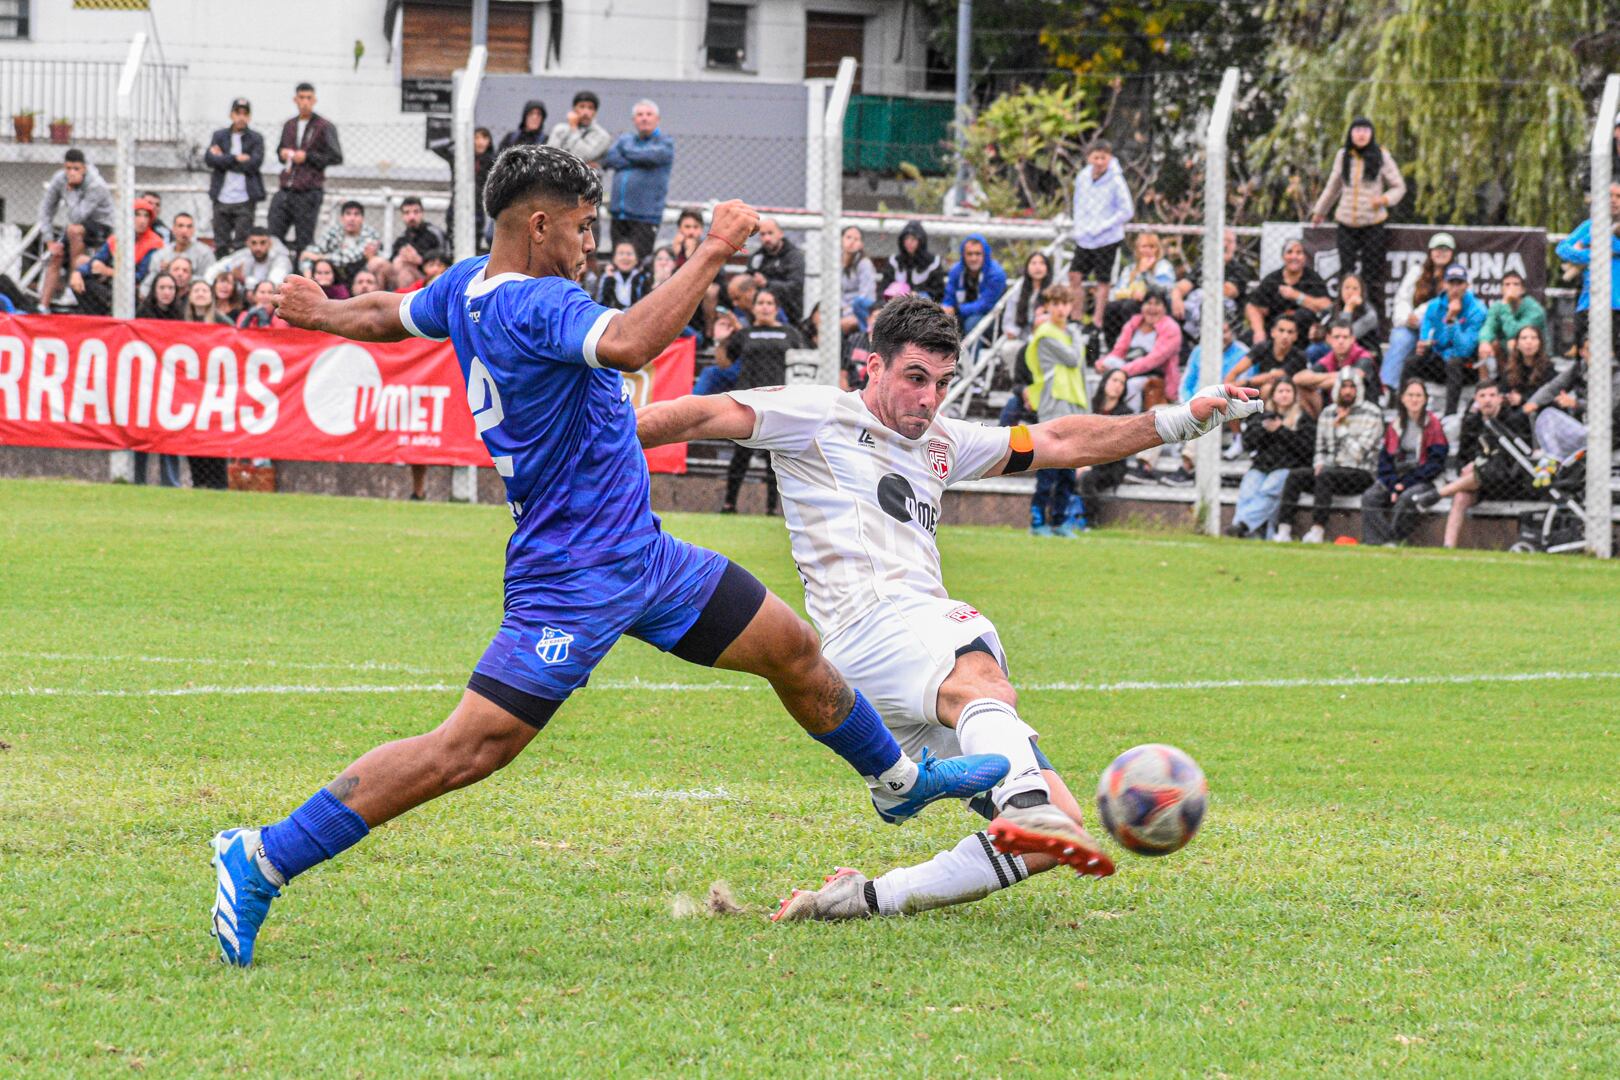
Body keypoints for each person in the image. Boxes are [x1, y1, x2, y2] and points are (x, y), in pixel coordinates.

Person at [215, 146, 1007, 966]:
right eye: (583, 228)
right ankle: (263, 856)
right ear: (539, 224)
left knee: (793, 649)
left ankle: (897, 782)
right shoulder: (539, 304)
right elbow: (630, 343)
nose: (590, 244)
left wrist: (325, 311)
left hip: (644, 558)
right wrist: (713, 248)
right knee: (465, 751)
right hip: (571, 579)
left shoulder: (468, 288)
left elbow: (393, 314)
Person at [633, 294, 1261, 920]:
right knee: (981, 664)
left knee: (1061, 830)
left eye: (941, 383)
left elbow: (1061, 439)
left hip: (899, 664)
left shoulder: (941, 441)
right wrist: (584, 450)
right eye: (914, 378)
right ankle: (1023, 803)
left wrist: (1179, 419)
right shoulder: (817, 414)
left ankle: (861, 900)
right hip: (873, 627)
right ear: (871, 367)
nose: (929, 399)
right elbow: (695, 414)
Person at [717, 289, 807, 515]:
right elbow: (724, 363)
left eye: (770, 303)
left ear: (776, 308)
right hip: (748, 400)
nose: (765, 307)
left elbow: (803, 362)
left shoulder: (790, 333)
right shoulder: (745, 333)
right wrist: (720, 339)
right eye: (761, 303)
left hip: (780, 401)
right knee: (741, 455)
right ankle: (729, 504)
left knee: (774, 458)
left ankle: (771, 508)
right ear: (754, 308)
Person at [1310, 118, 1406, 319]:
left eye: (1365, 130)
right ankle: (1343, 318)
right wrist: (1320, 211)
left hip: (1373, 223)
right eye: (1357, 130)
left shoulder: (1381, 155)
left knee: (1371, 274)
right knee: (1346, 272)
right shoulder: (1343, 155)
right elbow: (1333, 186)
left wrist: (1384, 199)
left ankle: (1371, 318)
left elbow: (1399, 186)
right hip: (1346, 222)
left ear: (1371, 134)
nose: (1361, 134)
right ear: (1350, 133)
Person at [1275, 367, 1383, 543]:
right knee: (1296, 476)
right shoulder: (1327, 413)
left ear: (1359, 389)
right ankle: (1283, 530)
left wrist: (1341, 427)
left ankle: (1317, 530)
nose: (1347, 391)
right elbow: (1320, 449)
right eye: (1344, 386)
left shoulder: (1372, 413)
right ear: (1337, 388)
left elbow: (1359, 454)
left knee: (1326, 475)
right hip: (1329, 471)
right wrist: (1319, 462)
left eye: (1352, 387)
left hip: (1360, 472)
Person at [1424, 381, 1535, 548]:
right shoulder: (1471, 422)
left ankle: (1440, 493)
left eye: (1492, 395)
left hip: (1509, 481)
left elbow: (1513, 460)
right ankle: (1448, 547)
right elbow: (1462, 457)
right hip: (1479, 483)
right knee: (1461, 497)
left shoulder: (1514, 419)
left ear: (1500, 399)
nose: (1487, 400)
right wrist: (1468, 465)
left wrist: (1477, 465)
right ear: (1476, 399)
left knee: (1488, 469)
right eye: (1482, 396)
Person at [1023, 285, 1088, 536]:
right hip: (1053, 403)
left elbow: (1080, 372)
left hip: (1072, 402)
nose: (1061, 309)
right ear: (1047, 306)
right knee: (1049, 464)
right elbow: (1072, 359)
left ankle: (1060, 520)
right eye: (1056, 303)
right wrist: (1079, 337)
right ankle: (1037, 520)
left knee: (1069, 467)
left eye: (1065, 303)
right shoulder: (1046, 334)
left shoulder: (1071, 333)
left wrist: (1086, 408)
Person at [1361, 378, 1448, 546]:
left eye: (1418, 395)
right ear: (1402, 398)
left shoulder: (1433, 426)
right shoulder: (1395, 426)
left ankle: (1393, 541)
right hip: (1397, 477)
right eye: (1410, 395)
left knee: (1407, 498)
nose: (1414, 399)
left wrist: (1405, 483)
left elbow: (1435, 464)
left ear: (1425, 399)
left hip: (1423, 479)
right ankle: (1376, 542)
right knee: (1370, 497)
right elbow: (1385, 462)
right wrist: (1394, 484)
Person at [1229, 377, 1315, 539]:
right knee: (1247, 491)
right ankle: (1244, 531)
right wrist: (1264, 429)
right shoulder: (1262, 415)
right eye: (1280, 391)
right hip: (1262, 466)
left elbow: (1306, 448)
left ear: (1294, 395)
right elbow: (1248, 442)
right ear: (1273, 395)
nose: (1284, 395)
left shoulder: (1303, 418)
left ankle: (1242, 525)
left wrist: (1281, 430)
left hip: (1288, 467)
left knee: (1270, 490)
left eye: (1288, 391)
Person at [267, 83, 343, 260]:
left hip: (308, 190)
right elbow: (279, 152)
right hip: (286, 187)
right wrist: (283, 153)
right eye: (301, 98)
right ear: (295, 99)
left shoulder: (323, 126)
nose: (305, 102)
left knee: (304, 239)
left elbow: (336, 156)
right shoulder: (289, 125)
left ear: (314, 100)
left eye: (309, 98)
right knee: (273, 235)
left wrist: (308, 157)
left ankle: (300, 277)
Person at [37, 148, 115, 311]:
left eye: (76, 169)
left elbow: (77, 216)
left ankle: (73, 286)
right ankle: (43, 306)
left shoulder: (96, 184)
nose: (71, 173)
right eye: (68, 168)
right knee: (56, 253)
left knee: (74, 230)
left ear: (84, 168)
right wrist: (50, 241)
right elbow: (46, 209)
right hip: (78, 226)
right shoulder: (59, 179)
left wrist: (71, 191)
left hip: (101, 225)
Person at [1067, 139, 1134, 329]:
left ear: (1109, 158)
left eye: (1103, 158)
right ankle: (1076, 316)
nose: (1099, 162)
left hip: (1107, 238)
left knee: (1102, 280)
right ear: (1089, 158)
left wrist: (1104, 225)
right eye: (1096, 157)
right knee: (1075, 274)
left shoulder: (1116, 180)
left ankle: (1097, 320)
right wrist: (1080, 226)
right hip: (1085, 236)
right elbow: (1078, 203)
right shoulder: (1082, 177)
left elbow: (1127, 211)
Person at [600, 100, 674, 260]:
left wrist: (626, 152)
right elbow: (608, 160)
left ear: (657, 119)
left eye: (649, 114)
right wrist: (638, 160)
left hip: (645, 217)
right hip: (620, 216)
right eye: (640, 115)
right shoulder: (627, 139)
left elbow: (651, 156)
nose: (644, 118)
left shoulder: (665, 143)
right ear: (634, 120)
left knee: (639, 263)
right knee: (618, 262)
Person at [1384, 232, 1456, 397]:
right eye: (1438, 249)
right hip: (1412, 325)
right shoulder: (1417, 272)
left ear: (1452, 253)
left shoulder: (1456, 276)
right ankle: (1390, 389)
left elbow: (1445, 305)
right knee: (1401, 338)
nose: (1441, 253)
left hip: (1439, 329)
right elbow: (1402, 298)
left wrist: (1420, 316)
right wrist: (1407, 317)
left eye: (1446, 249)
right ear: (1430, 252)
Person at [1412, 264, 1485, 416]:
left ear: (1467, 285)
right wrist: (1427, 343)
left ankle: (1449, 415)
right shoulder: (1433, 306)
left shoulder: (1478, 310)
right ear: (1444, 284)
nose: (1455, 288)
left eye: (1460, 283)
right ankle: (1404, 408)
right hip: (1439, 360)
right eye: (1451, 283)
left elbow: (1464, 349)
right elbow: (1427, 339)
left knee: (1454, 361)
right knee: (1412, 361)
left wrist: (1452, 320)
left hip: (1467, 366)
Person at [1555, 182, 1620, 350]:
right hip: (1591, 304)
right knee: (1587, 357)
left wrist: (1608, 245)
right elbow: (1562, 248)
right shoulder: (1591, 226)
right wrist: (1591, 255)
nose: (1613, 201)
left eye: (1618, 197)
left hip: (1617, 305)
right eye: (1609, 196)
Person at [71, 198, 164, 316]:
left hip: (136, 289)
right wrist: (77, 273)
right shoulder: (118, 238)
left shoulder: (154, 242)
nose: (142, 220)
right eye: (137, 215)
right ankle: (98, 317)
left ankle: (109, 314)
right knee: (80, 281)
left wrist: (108, 271)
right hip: (115, 285)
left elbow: (140, 276)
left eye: (146, 216)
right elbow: (96, 261)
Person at [1097, 286, 1181, 410]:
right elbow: (1118, 351)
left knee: (1131, 385)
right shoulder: (1134, 323)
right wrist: (1101, 363)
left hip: (1155, 376)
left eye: (1157, 304)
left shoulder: (1171, 328)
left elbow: (1152, 361)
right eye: (1148, 303)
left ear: (1164, 308)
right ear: (1142, 306)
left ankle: (1131, 420)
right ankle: (1101, 414)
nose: (1152, 308)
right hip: (1128, 369)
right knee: (1108, 365)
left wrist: (1123, 372)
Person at [205, 98, 265, 256]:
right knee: (221, 243)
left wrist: (223, 159)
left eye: (245, 114)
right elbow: (210, 159)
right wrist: (236, 158)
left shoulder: (256, 138)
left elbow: (254, 164)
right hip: (221, 197)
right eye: (238, 113)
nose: (241, 117)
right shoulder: (219, 136)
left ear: (250, 117)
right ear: (231, 115)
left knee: (241, 244)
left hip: (245, 199)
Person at [1246, 240, 1331, 349]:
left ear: (1304, 257)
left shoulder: (1312, 278)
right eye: (1289, 252)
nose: (1294, 256)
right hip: (1274, 331)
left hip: (1302, 335)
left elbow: (1326, 305)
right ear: (1283, 257)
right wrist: (1259, 332)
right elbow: (1253, 306)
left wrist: (1297, 296)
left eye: (1299, 252)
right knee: (1248, 337)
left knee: (1302, 315)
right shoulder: (1272, 279)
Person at [1076, 367, 1134, 527]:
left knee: (1087, 478)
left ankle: (1091, 521)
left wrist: (1089, 466)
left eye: (1122, 383)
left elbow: (1116, 448)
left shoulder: (1125, 414)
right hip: (1083, 460)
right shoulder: (1090, 407)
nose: (1118, 385)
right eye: (1114, 380)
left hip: (1110, 466)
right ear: (1105, 382)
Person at [1101, 231, 1176, 346]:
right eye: (1144, 246)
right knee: (1111, 307)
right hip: (1131, 299)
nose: (1148, 250)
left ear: (1157, 249)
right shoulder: (1130, 268)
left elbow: (1163, 290)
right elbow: (1116, 292)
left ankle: (1133, 345)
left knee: (1129, 306)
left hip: (1157, 302)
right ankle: (1113, 348)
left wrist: (1144, 273)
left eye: (1152, 247)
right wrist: (1131, 293)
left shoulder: (1163, 266)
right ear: (1137, 249)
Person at [430, 126, 495, 253]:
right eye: (476, 137)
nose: (480, 142)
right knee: (453, 239)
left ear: (489, 141)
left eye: (484, 137)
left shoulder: (491, 161)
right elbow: (436, 147)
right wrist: (458, 141)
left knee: (474, 241)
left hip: (477, 207)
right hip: (456, 204)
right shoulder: (460, 158)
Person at [1292, 317, 1376, 408]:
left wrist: (1317, 382)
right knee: (1301, 387)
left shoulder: (1363, 355)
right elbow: (1297, 378)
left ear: (1352, 339)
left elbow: (1355, 377)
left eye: (1345, 337)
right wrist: (1339, 375)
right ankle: (1313, 420)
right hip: (1333, 409)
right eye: (1336, 337)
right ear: (1328, 339)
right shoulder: (1329, 358)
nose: (1341, 341)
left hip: (1363, 409)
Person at [995, 251, 1052, 384]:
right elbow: (1009, 319)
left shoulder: (1053, 290)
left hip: (1044, 338)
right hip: (1022, 336)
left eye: (1042, 263)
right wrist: (1012, 331)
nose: (1038, 267)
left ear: (1048, 268)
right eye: (1034, 263)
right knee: (1009, 348)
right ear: (1027, 268)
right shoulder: (1019, 290)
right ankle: (1019, 383)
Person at [1477, 270, 1546, 377]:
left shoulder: (1534, 309)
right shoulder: (1497, 306)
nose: (1511, 288)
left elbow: (1515, 333)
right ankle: (1485, 386)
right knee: (1487, 345)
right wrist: (1484, 341)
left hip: (1534, 352)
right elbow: (1488, 327)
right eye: (1507, 284)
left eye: (1516, 284)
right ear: (1502, 289)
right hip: (1504, 352)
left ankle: (1514, 381)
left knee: (1513, 342)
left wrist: (1505, 308)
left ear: (1522, 290)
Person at [372, 196, 448, 290]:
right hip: (398, 279)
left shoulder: (434, 234)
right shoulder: (401, 239)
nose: (411, 217)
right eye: (407, 213)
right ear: (402, 216)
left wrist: (419, 260)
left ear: (422, 213)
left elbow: (445, 261)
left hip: (429, 280)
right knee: (380, 266)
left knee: (405, 271)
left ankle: (404, 303)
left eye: (416, 212)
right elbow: (392, 263)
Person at [1304, 273, 1380, 365]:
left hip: (1362, 352)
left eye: (1355, 288)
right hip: (1335, 348)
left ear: (1362, 292)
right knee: (1313, 350)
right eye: (1346, 288)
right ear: (1340, 290)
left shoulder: (1370, 314)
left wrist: (1349, 307)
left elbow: (1345, 335)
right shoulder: (1334, 308)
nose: (1350, 292)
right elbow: (1323, 329)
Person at [1180, 305, 1249, 404]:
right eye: (1215, 332)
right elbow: (1186, 385)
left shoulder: (1243, 353)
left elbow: (1242, 387)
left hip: (1227, 406)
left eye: (1224, 332)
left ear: (1232, 331)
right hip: (1195, 404)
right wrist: (1189, 403)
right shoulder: (1199, 350)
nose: (1219, 337)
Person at [942, 233, 1006, 333]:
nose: (973, 258)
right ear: (963, 255)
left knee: (972, 323)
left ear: (985, 254)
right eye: (969, 254)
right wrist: (945, 308)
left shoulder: (996, 274)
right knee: (943, 321)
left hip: (990, 317)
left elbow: (985, 305)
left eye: (977, 253)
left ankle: (970, 349)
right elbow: (949, 297)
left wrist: (957, 310)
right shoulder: (956, 271)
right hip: (960, 313)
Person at [745, 218, 806, 324]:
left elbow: (796, 286)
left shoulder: (794, 257)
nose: (767, 238)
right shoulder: (757, 257)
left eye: (770, 233)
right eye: (762, 234)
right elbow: (747, 277)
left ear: (781, 234)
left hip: (789, 312)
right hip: (759, 309)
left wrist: (767, 283)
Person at [144, 212, 216, 299]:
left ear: (193, 230)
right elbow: (149, 282)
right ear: (173, 229)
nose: (185, 230)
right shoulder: (160, 254)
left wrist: (184, 275)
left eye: (189, 226)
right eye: (180, 226)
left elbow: (210, 278)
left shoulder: (205, 253)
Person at [305, 200, 380, 283]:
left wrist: (319, 257)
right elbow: (310, 253)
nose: (352, 218)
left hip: (361, 272)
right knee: (321, 268)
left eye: (356, 214)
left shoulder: (370, 234)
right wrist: (307, 275)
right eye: (348, 214)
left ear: (362, 219)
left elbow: (350, 257)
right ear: (342, 218)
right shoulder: (334, 231)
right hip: (337, 274)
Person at [206, 227, 292, 290]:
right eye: (254, 243)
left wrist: (244, 280)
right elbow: (215, 269)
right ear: (248, 243)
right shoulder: (244, 255)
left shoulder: (281, 260)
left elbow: (272, 286)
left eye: (263, 243)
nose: (258, 248)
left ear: (270, 243)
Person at [882, 220, 946, 301]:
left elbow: (938, 292)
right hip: (896, 306)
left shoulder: (933, 263)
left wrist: (919, 295)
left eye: (913, 239)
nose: (909, 242)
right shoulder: (894, 262)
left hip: (923, 307)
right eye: (906, 238)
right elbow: (884, 288)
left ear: (921, 240)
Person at [1500, 323, 1555, 409]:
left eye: (1533, 338)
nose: (1529, 342)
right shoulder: (1509, 369)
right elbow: (1502, 391)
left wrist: (1522, 400)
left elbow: (1549, 398)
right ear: (1517, 344)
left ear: (1540, 344)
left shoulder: (1548, 368)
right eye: (1524, 338)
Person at [548, 91, 612, 165]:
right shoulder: (560, 129)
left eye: (590, 108)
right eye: (582, 106)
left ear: (595, 112)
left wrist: (574, 129)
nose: (586, 112)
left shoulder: (603, 136)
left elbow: (582, 157)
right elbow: (551, 158)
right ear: (574, 109)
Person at [839, 226, 877, 337]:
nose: (851, 242)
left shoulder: (864, 263)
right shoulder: (836, 261)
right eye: (848, 237)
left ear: (861, 244)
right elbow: (835, 292)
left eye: (856, 239)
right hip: (841, 310)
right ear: (841, 240)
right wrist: (843, 310)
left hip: (860, 311)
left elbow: (865, 295)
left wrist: (850, 314)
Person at [595, 240, 651, 311]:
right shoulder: (607, 277)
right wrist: (609, 281)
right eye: (621, 254)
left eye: (629, 254)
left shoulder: (642, 278)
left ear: (636, 259)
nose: (625, 257)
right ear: (614, 259)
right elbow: (600, 303)